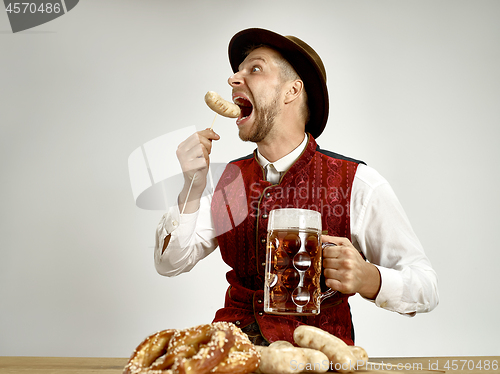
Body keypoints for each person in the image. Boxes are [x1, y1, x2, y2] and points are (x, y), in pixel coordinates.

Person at [154, 28, 439, 346]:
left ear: (292, 90)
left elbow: (426, 286)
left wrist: (369, 278)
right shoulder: (228, 181)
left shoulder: (358, 182)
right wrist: (191, 188)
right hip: (234, 351)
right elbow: (170, 263)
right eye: (237, 71)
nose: (234, 79)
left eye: (255, 68)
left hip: (319, 356)